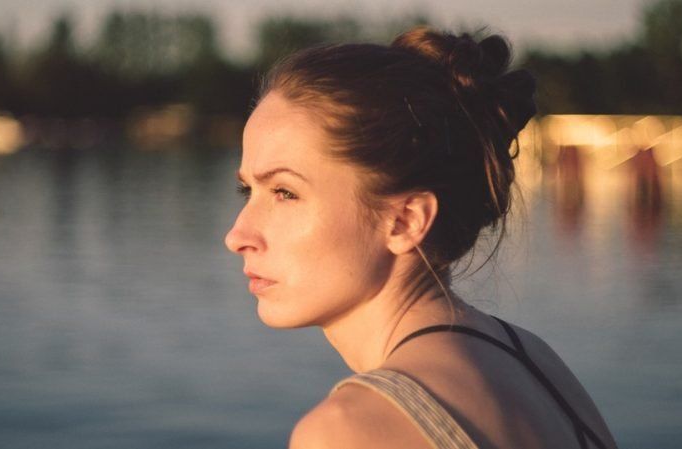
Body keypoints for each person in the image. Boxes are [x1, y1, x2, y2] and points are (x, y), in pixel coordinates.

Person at [224, 26, 618, 449]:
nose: (237, 236)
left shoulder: (350, 431)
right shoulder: (533, 363)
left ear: (406, 220)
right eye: (248, 190)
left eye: (285, 192)